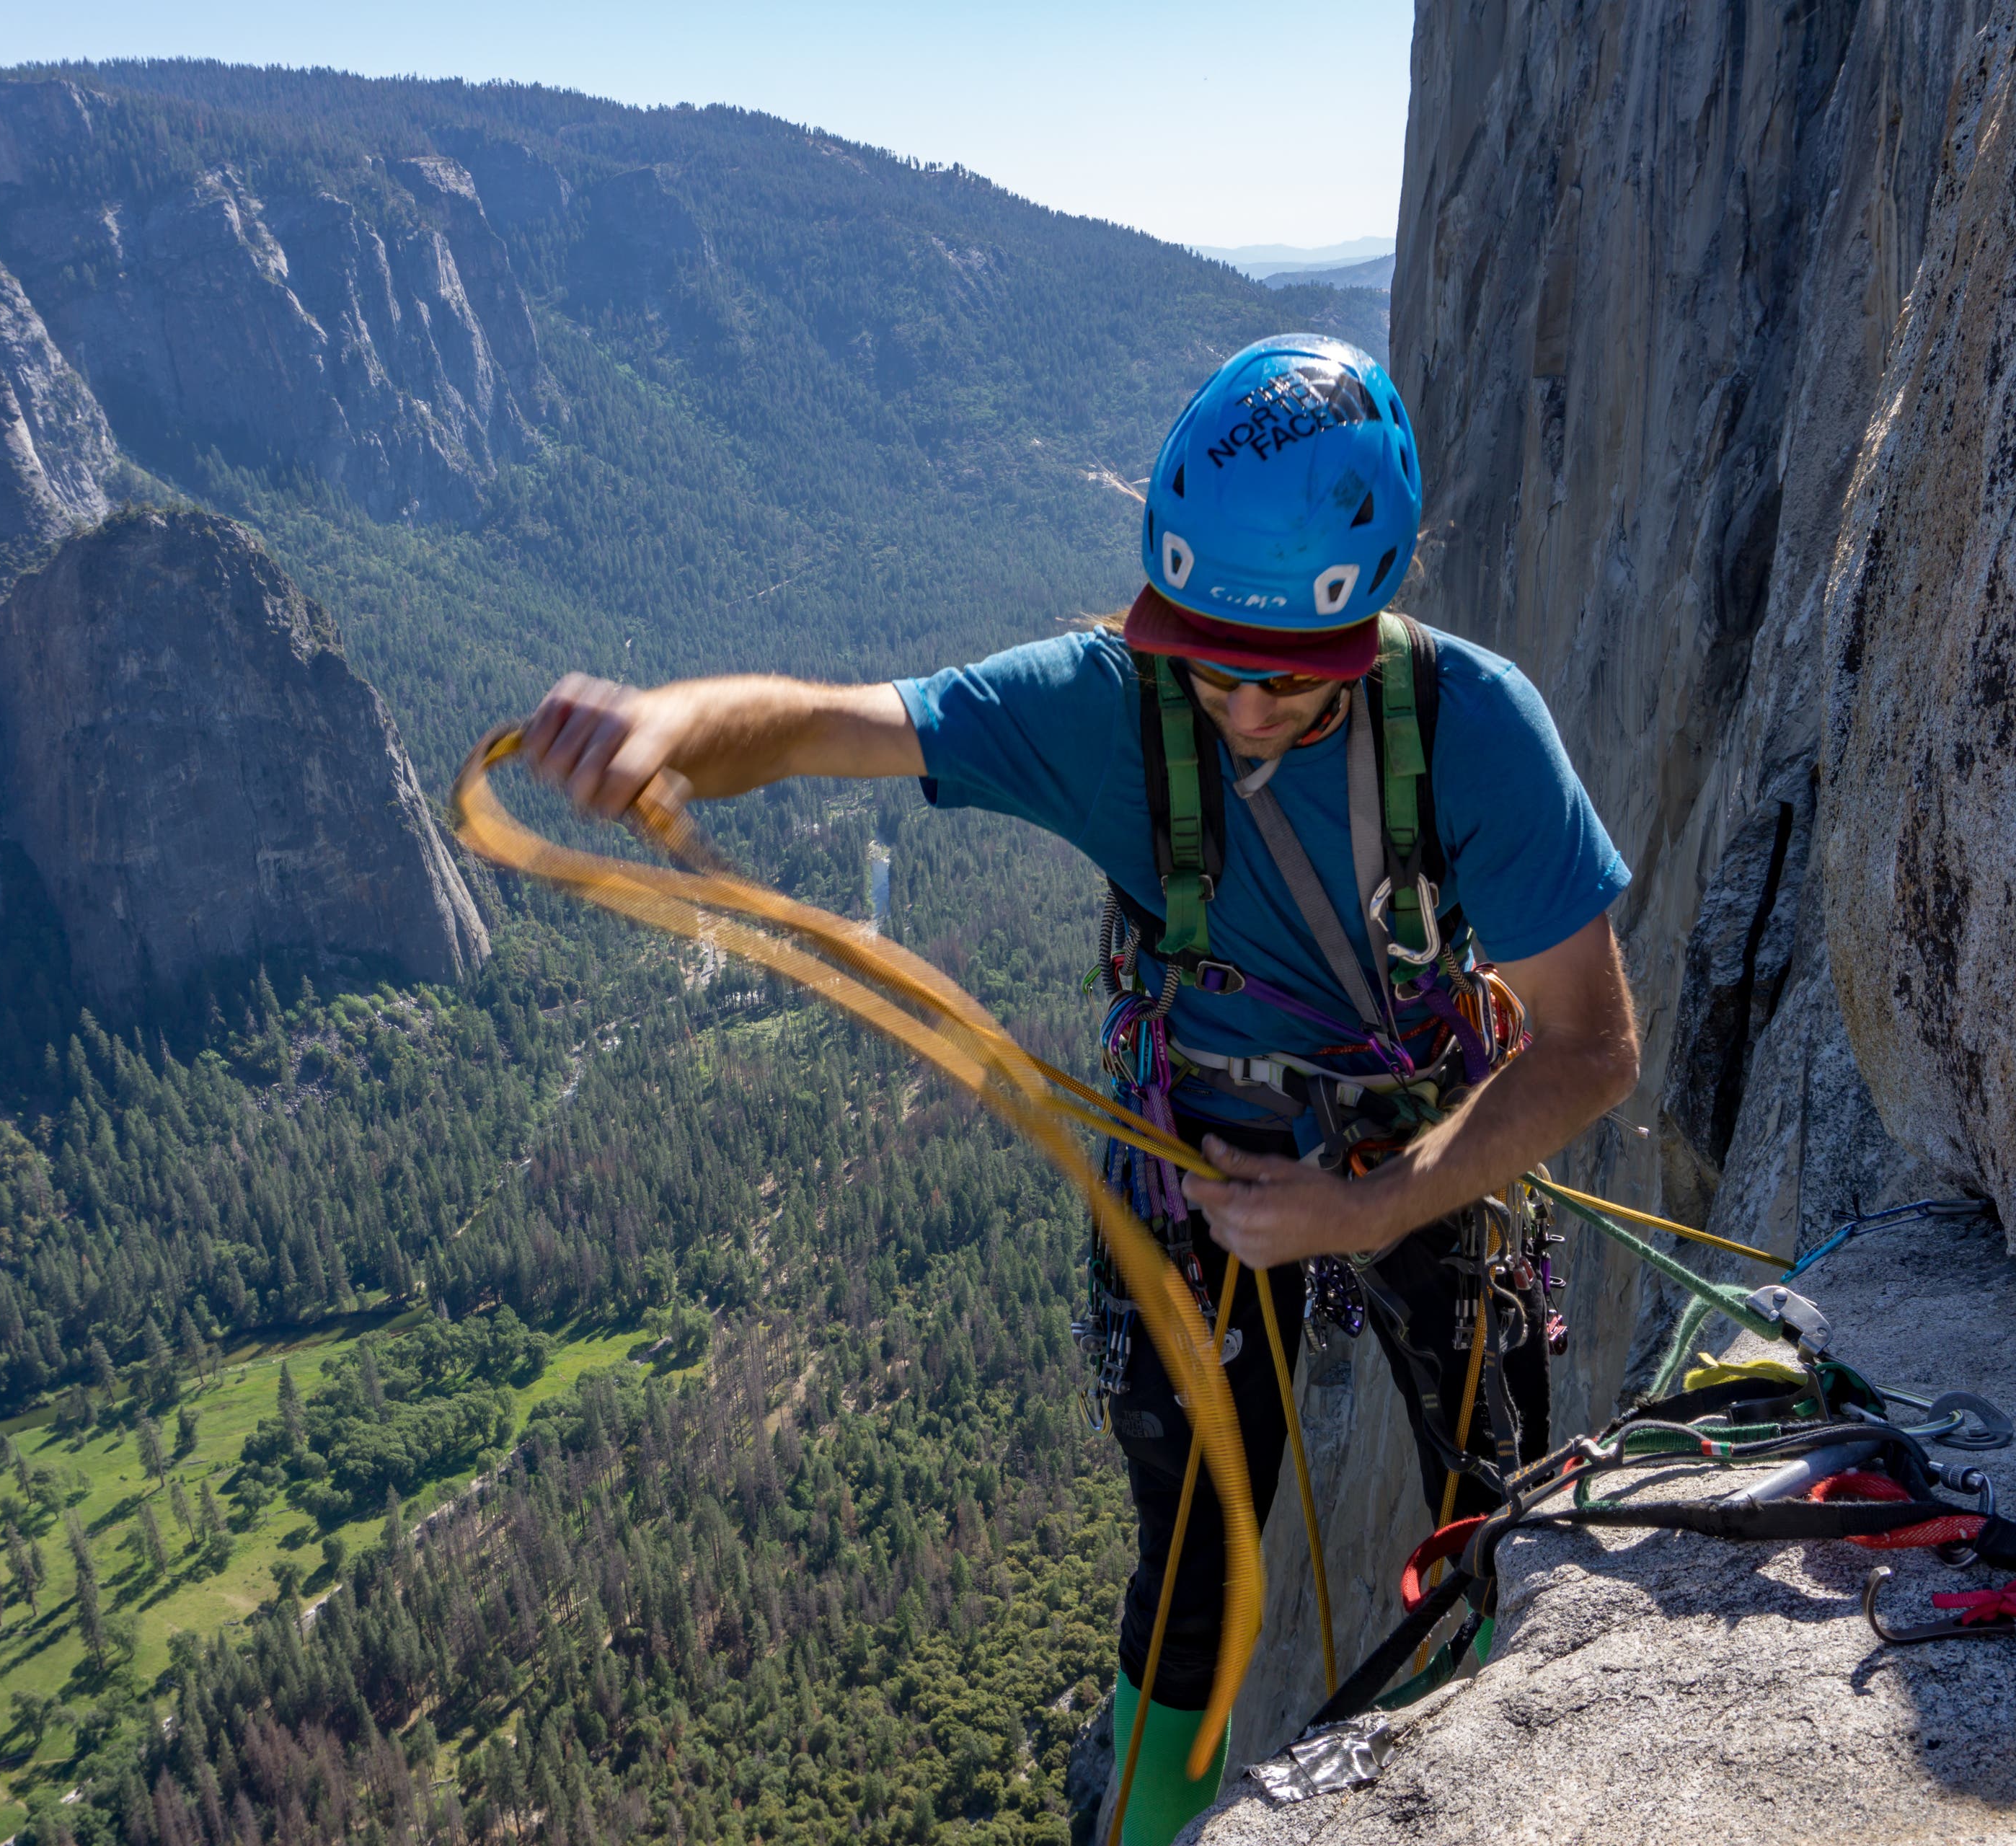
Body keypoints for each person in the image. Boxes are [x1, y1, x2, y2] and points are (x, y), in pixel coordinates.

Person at [520, 335, 1637, 1845]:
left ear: (1367, 618)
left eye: (1289, 678)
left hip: (1417, 1142)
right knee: (1191, 1575)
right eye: (1211, 660)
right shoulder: (1114, 702)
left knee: (1491, 1506)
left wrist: (1366, 1205)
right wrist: (669, 729)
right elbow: (842, 720)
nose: (1243, 705)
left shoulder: (1470, 726)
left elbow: (1589, 1045)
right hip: (1189, 1167)